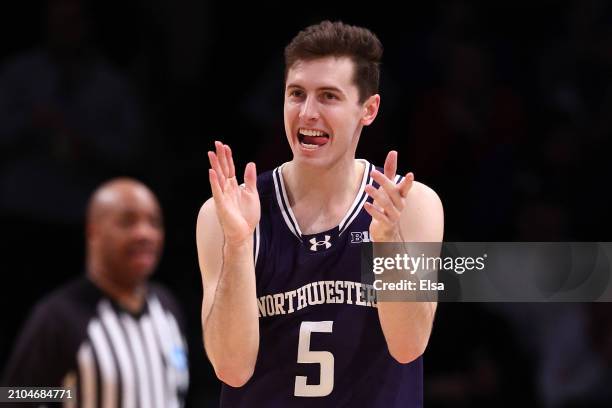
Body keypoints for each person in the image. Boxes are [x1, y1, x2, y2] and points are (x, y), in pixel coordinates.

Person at [196, 21, 443, 407]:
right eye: (297, 94)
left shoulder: (414, 207)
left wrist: (386, 240)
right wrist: (239, 246)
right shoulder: (224, 214)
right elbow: (231, 368)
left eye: (328, 96)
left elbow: (409, 346)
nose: (307, 112)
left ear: (368, 109)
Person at [3, 178, 189, 408]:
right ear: (94, 231)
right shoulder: (58, 317)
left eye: (154, 222)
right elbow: (14, 395)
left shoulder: (167, 307)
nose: (145, 233)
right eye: (127, 222)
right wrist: (70, 395)